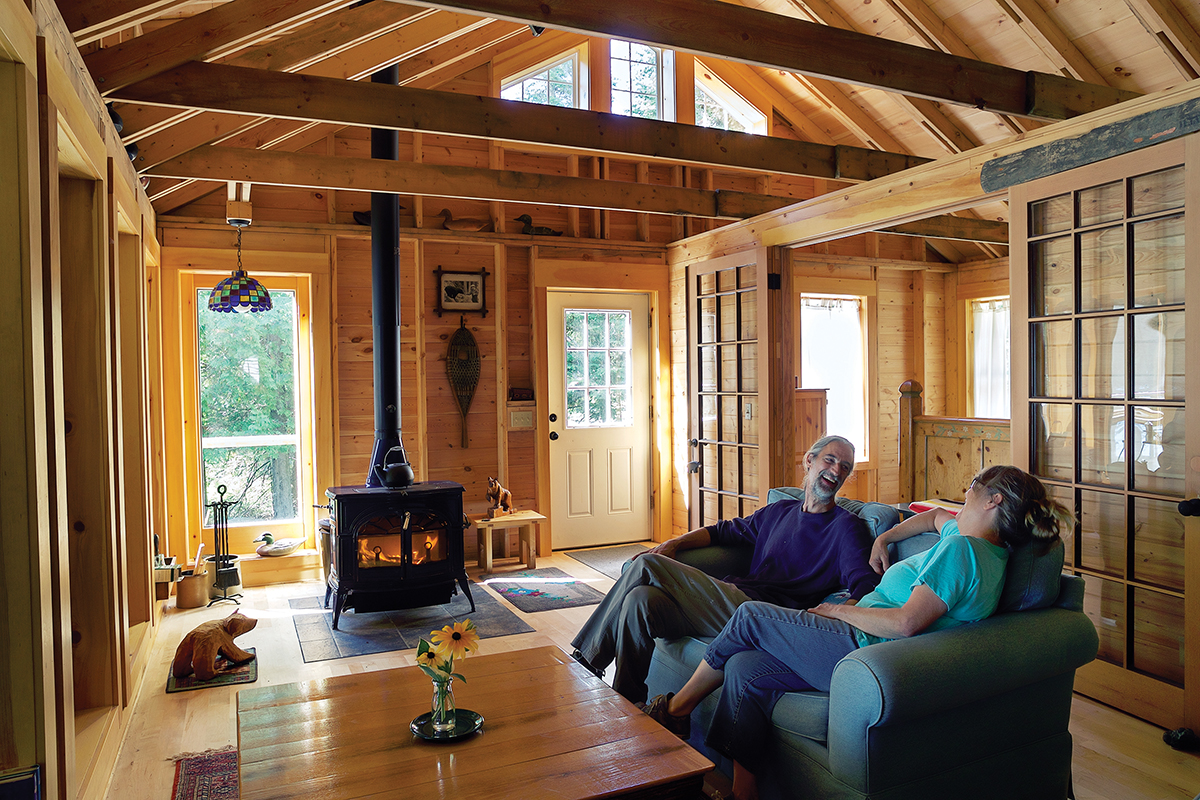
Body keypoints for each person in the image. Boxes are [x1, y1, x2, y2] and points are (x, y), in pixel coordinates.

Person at [643, 465, 1071, 800]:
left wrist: (838, 611)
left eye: (974, 485)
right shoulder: (978, 544)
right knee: (745, 666)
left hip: (864, 647)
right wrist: (884, 538)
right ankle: (744, 791)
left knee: (750, 617)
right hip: (859, 643)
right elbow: (934, 518)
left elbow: (906, 622)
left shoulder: (965, 552)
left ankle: (675, 711)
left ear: (994, 499)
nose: (966, 492)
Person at [570, 435, 881, 705]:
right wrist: (675, 543)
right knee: (640, 600)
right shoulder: (780, 510)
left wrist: (837, 613)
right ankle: (627, 703)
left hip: (761, 615)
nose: (836, 471)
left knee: (647, 563)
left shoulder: (846, 528)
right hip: (731, 600)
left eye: (845, 467)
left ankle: (585, 661)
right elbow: (723, 532)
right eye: (830, 460)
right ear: (809, 461)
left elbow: (865, 584)